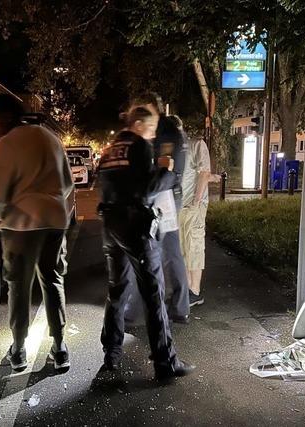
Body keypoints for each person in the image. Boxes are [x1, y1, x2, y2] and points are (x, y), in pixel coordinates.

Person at [97, 106, 195, 380]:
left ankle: (111, 353)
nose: (152, 135)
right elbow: (145, 189)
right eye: (151, 128)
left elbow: (109, 186)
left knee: (117, 290)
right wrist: (167, 172)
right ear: (139, 124)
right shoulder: (138, 146)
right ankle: (165, 362)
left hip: (110, 225)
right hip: (136, 226)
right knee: (153, 293)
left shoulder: (110, 149)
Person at [0, 94, 74, 372]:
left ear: (5, 118)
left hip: (20, 226)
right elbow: (68, 183)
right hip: (54, 221)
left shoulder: (4, 145)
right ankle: (59, 348)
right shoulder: (50, 138)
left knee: (19, 287)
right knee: (53, 280)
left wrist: (3, 216)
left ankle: (19, 349)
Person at [125, 92, 191, 324]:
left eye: (142, 109)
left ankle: (170, 308)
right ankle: (172, 307)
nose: (139, 116)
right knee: (160, 252)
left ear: (156, 108)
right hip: (157, 194)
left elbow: (168, 170)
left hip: (165, 198)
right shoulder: (158, 129)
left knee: (162, 251)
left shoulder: (166, 132)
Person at [170, 116, 219, 306]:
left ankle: (195, 291)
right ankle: (187, 288)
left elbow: (204, 173)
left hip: (192, 206)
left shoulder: (196, 144)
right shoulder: (174, 151)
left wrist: (197, 201)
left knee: (194, 246)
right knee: (182, 248)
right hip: (179, 207)